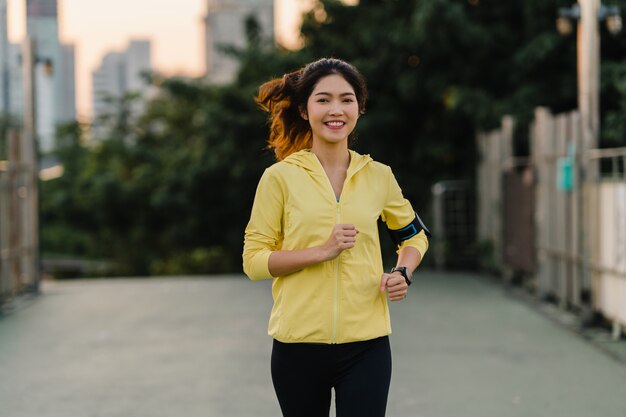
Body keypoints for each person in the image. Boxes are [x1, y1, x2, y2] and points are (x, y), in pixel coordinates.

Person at [242, 58, 430, 417]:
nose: (336, 110)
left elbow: (413, 236)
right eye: (323, 99)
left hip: (367, 345)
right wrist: (321, 251)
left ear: (359, 107)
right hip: (297, 346)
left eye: (346, 99)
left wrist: (402, 271)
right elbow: (254, 262)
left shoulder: (378, 176)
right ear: (304, 108)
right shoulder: (279, 178)